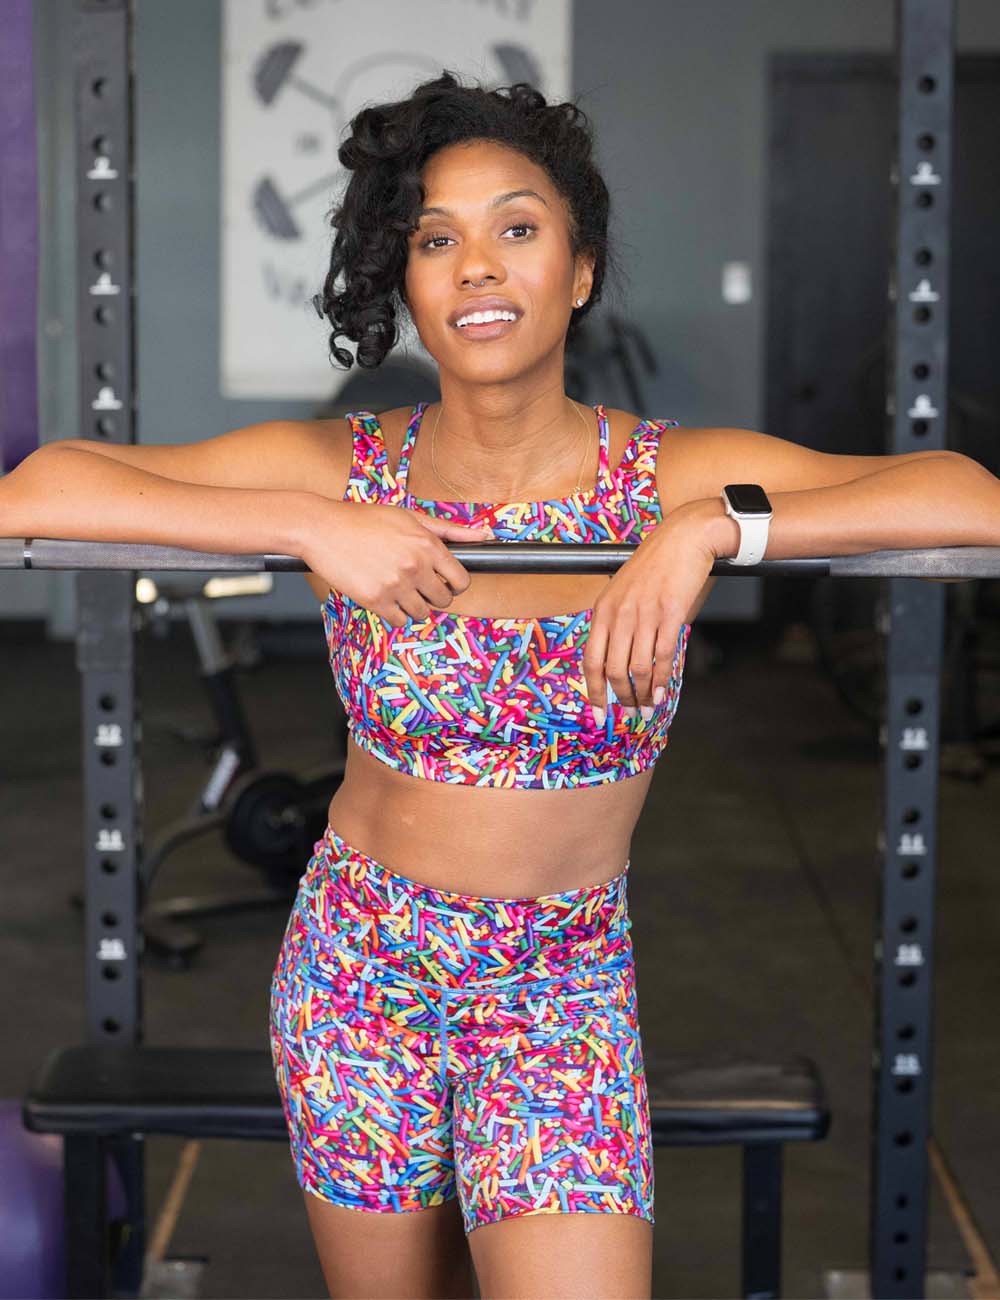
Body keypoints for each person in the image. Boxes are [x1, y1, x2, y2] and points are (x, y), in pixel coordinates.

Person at [5, 67, 992, 1300]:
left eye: (516, 228)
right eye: (436, 240)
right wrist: (310, 523)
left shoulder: (666, 480)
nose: (476, 266)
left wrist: (713, 534)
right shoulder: (350, 469)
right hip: (359, 970)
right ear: (408, 288)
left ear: (577, 270)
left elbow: (967, 495)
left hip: (558, 978)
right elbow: (41, 487)